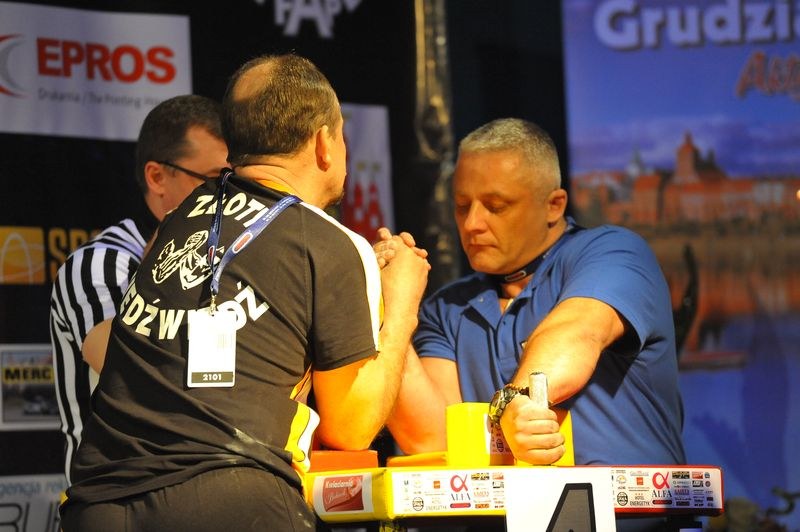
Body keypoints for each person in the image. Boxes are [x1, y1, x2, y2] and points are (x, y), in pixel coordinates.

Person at [59, 53, 429, 531]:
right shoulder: (331, 243)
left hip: (97, 505)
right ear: (324, 144)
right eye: (341, 134)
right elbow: (351, 428)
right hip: (228, 496)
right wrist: (400, 304)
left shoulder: (176, 221)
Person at [383, 118, 686, 470]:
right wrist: (390, 307)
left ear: (554, 205)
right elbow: (435, 439)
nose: (472, 224)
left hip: (632, 506)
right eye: (462, 205)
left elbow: (576, 333)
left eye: (496, 206)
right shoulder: (447, 308)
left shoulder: (614, 252)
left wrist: (517, 401)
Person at [49, 94, 228, 485]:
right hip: (115, 495)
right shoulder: (100, 263)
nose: (227, 197)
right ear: (157, 177)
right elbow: (132, 371)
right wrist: (170, 252)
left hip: (206, 489)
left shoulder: (228, 260)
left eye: (233, 181)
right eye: (215, 180)